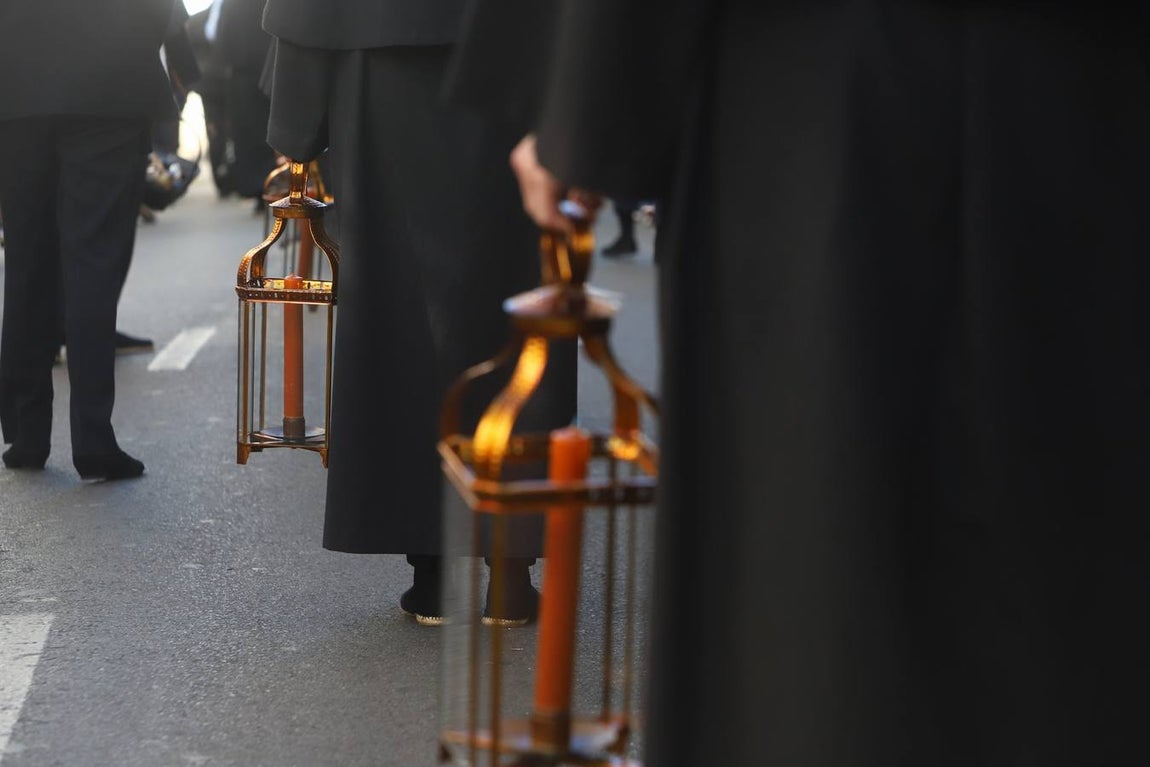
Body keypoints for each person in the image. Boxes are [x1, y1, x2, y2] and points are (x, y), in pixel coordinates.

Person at [449, 1, 1150, 764]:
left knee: (824, 538)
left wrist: (585, 109)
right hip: (1096, 89)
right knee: (1081, 538)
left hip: (823, 93)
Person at [261, 0, 577, 625]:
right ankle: (512, 569)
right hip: (520, 65)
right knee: (515, 315)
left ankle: (431, 571)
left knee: (403, 314)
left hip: (379, 75)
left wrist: (296, 121)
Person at [0, 0, 175, 479]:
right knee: (93, 260)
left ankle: (26, 431)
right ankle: (94, 437)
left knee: (27, 255)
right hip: (110, 80)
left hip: (16, 80)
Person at [215, 0, 278, 207]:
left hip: (241, 75)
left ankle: (255, 187)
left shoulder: (231, 4)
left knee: (247, 132)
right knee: (268, 129)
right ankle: (271, 183)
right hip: (271, 72)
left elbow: (222, 39)